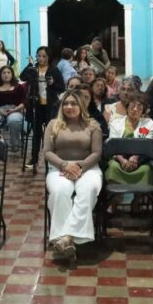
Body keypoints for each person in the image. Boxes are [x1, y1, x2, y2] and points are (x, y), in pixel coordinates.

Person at [42, 89, 103, 263]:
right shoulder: (53, 124)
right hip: (59, 167)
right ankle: (68, 240)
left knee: (87, 189)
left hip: (88, 168)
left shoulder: (93, 125)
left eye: (74, 103)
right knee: (60, 192)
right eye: (66, 103)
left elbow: (97, 152)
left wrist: (79, 167)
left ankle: (66, 238)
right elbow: (47, 152)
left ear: (81, 105)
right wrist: (64, 165)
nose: (69, 107)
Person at [20, 46, 65, 174]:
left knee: (50, 133)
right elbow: (22, 76)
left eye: (43, 56)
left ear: (48, 57)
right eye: (38, 56)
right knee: (36, 133)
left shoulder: (54, 70)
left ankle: (52, 157)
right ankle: (34, 159)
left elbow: (61, 87)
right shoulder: (33, 69)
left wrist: (52, 84)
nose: (41, 58)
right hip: (36, 105)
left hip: (50, 106)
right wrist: (29, 65)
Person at [0, 65, 26, 152]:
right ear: (0, 75)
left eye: (8, 72)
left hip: (16, 109)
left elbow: (24, 102)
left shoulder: (19, 87)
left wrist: (14, 110)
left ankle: (15, 144)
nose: (6, 75)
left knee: (13, 120)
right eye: (4, 73)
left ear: (12, 74)